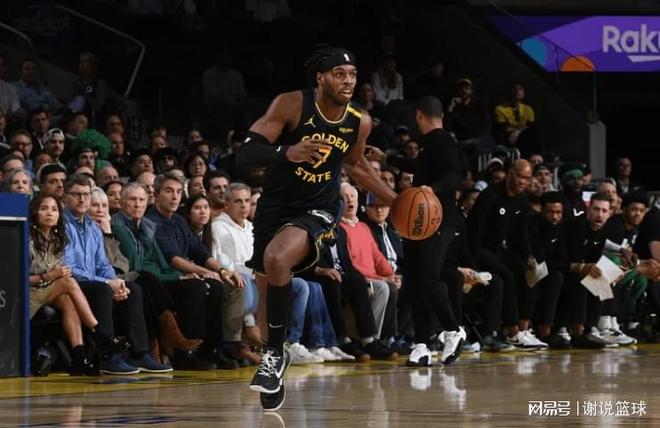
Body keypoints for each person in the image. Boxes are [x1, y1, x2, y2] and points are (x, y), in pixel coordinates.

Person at [236, 46, 397, 411]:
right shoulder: (291, 104)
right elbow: (245, 153)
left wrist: (396, 199)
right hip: (275, 206)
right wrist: (286, 152)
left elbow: (355, 165)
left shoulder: (359, 120)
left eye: (352, 75)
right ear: (320, 78)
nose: (348, 81)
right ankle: (272, 359)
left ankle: (275, 354)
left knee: (278, 258)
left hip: (320, 208)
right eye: (340, 74)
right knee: (266, 291)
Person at [62, 174, 172, 374]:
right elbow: (69, 268)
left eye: (86, 195)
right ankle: (108, 356)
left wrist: (115, 281)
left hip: (94, 281)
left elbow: (103, 264)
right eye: (76, 195)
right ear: (65, 197)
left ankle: (139, 353)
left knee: (133, 289)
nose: (82, 199)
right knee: (103, 290)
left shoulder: (93, 228)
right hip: (70, 284)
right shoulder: (62, 225)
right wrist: (107, 283)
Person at [404, 96, 466, 367]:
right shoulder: (428, 143)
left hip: (440, 218)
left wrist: (434, 189)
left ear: (420, 115)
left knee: (429, 276)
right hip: (420, 220)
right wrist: (389, 159)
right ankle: (421, 345)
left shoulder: (442, 139)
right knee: (415, 280)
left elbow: (455, 173)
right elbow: (420, 170)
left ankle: (453, 330)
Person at [29, 193, 99, 375]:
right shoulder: (27, 240)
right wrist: (48, 276)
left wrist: (54, 276)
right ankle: (98, 333)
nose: (49, 213)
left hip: (47, 290)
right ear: (35, 212)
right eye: (44, 209)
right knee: (68, 282)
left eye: (54, 209)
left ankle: (79, 357)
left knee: (68, 299)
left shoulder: (57, 239)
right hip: (28, 293)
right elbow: (16, 278)